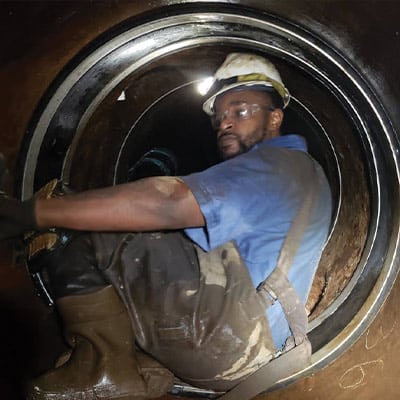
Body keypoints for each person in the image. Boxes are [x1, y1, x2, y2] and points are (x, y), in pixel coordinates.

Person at [0, 53, 332, 400]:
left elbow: (168, 203)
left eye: (240, 111)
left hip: (224, 338)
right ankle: (140, 369)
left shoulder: (273, 165)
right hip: (252, 348)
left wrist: (34, 214)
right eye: (219, 118)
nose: (225, 124)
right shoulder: (305, 173)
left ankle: (104, 370)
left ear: (275, 117)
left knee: (87, 224)